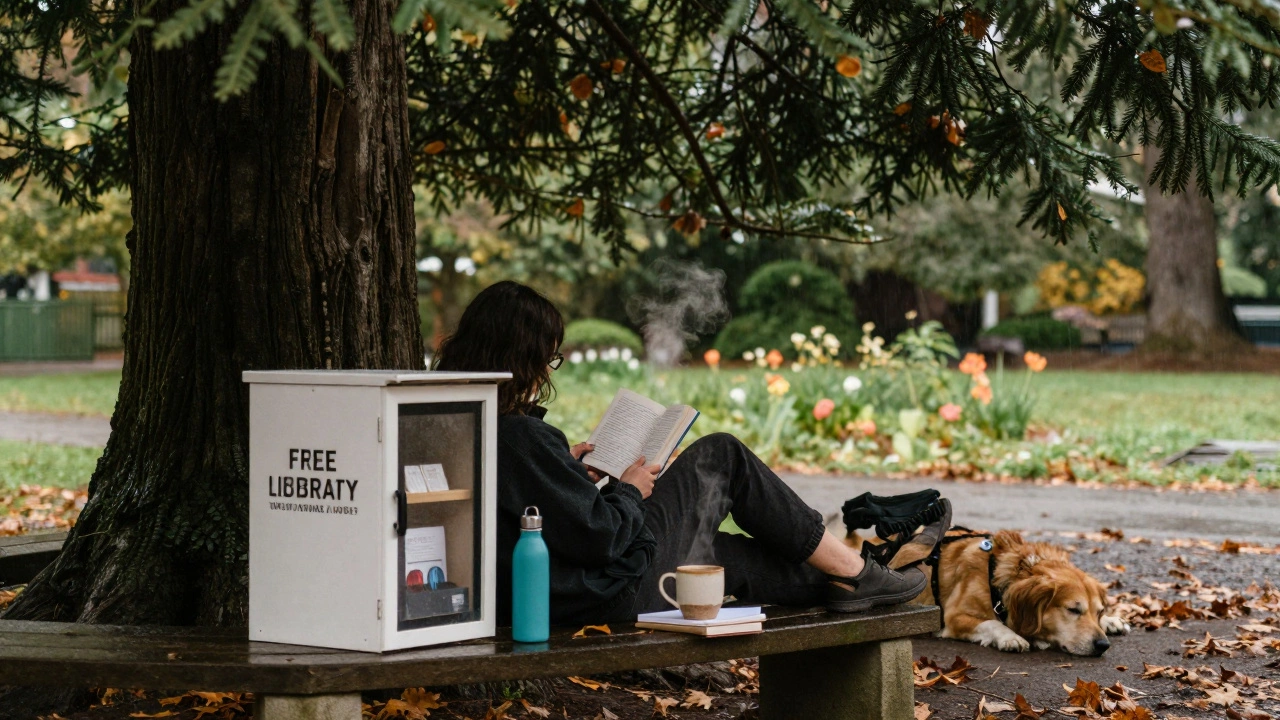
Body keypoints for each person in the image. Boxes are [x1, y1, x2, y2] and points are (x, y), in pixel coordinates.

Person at [434, 281, 927, 626]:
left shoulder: (464, 418)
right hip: (600, 594)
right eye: (547, 358)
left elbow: (538, 513)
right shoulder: (520, 436)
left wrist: (570, 477)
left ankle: (856, 583)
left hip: (566, 595)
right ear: (523, 357)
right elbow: (598, 538)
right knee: (722, 456)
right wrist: (629, 488)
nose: (548, 371)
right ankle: (858, 572)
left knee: (721, 555)